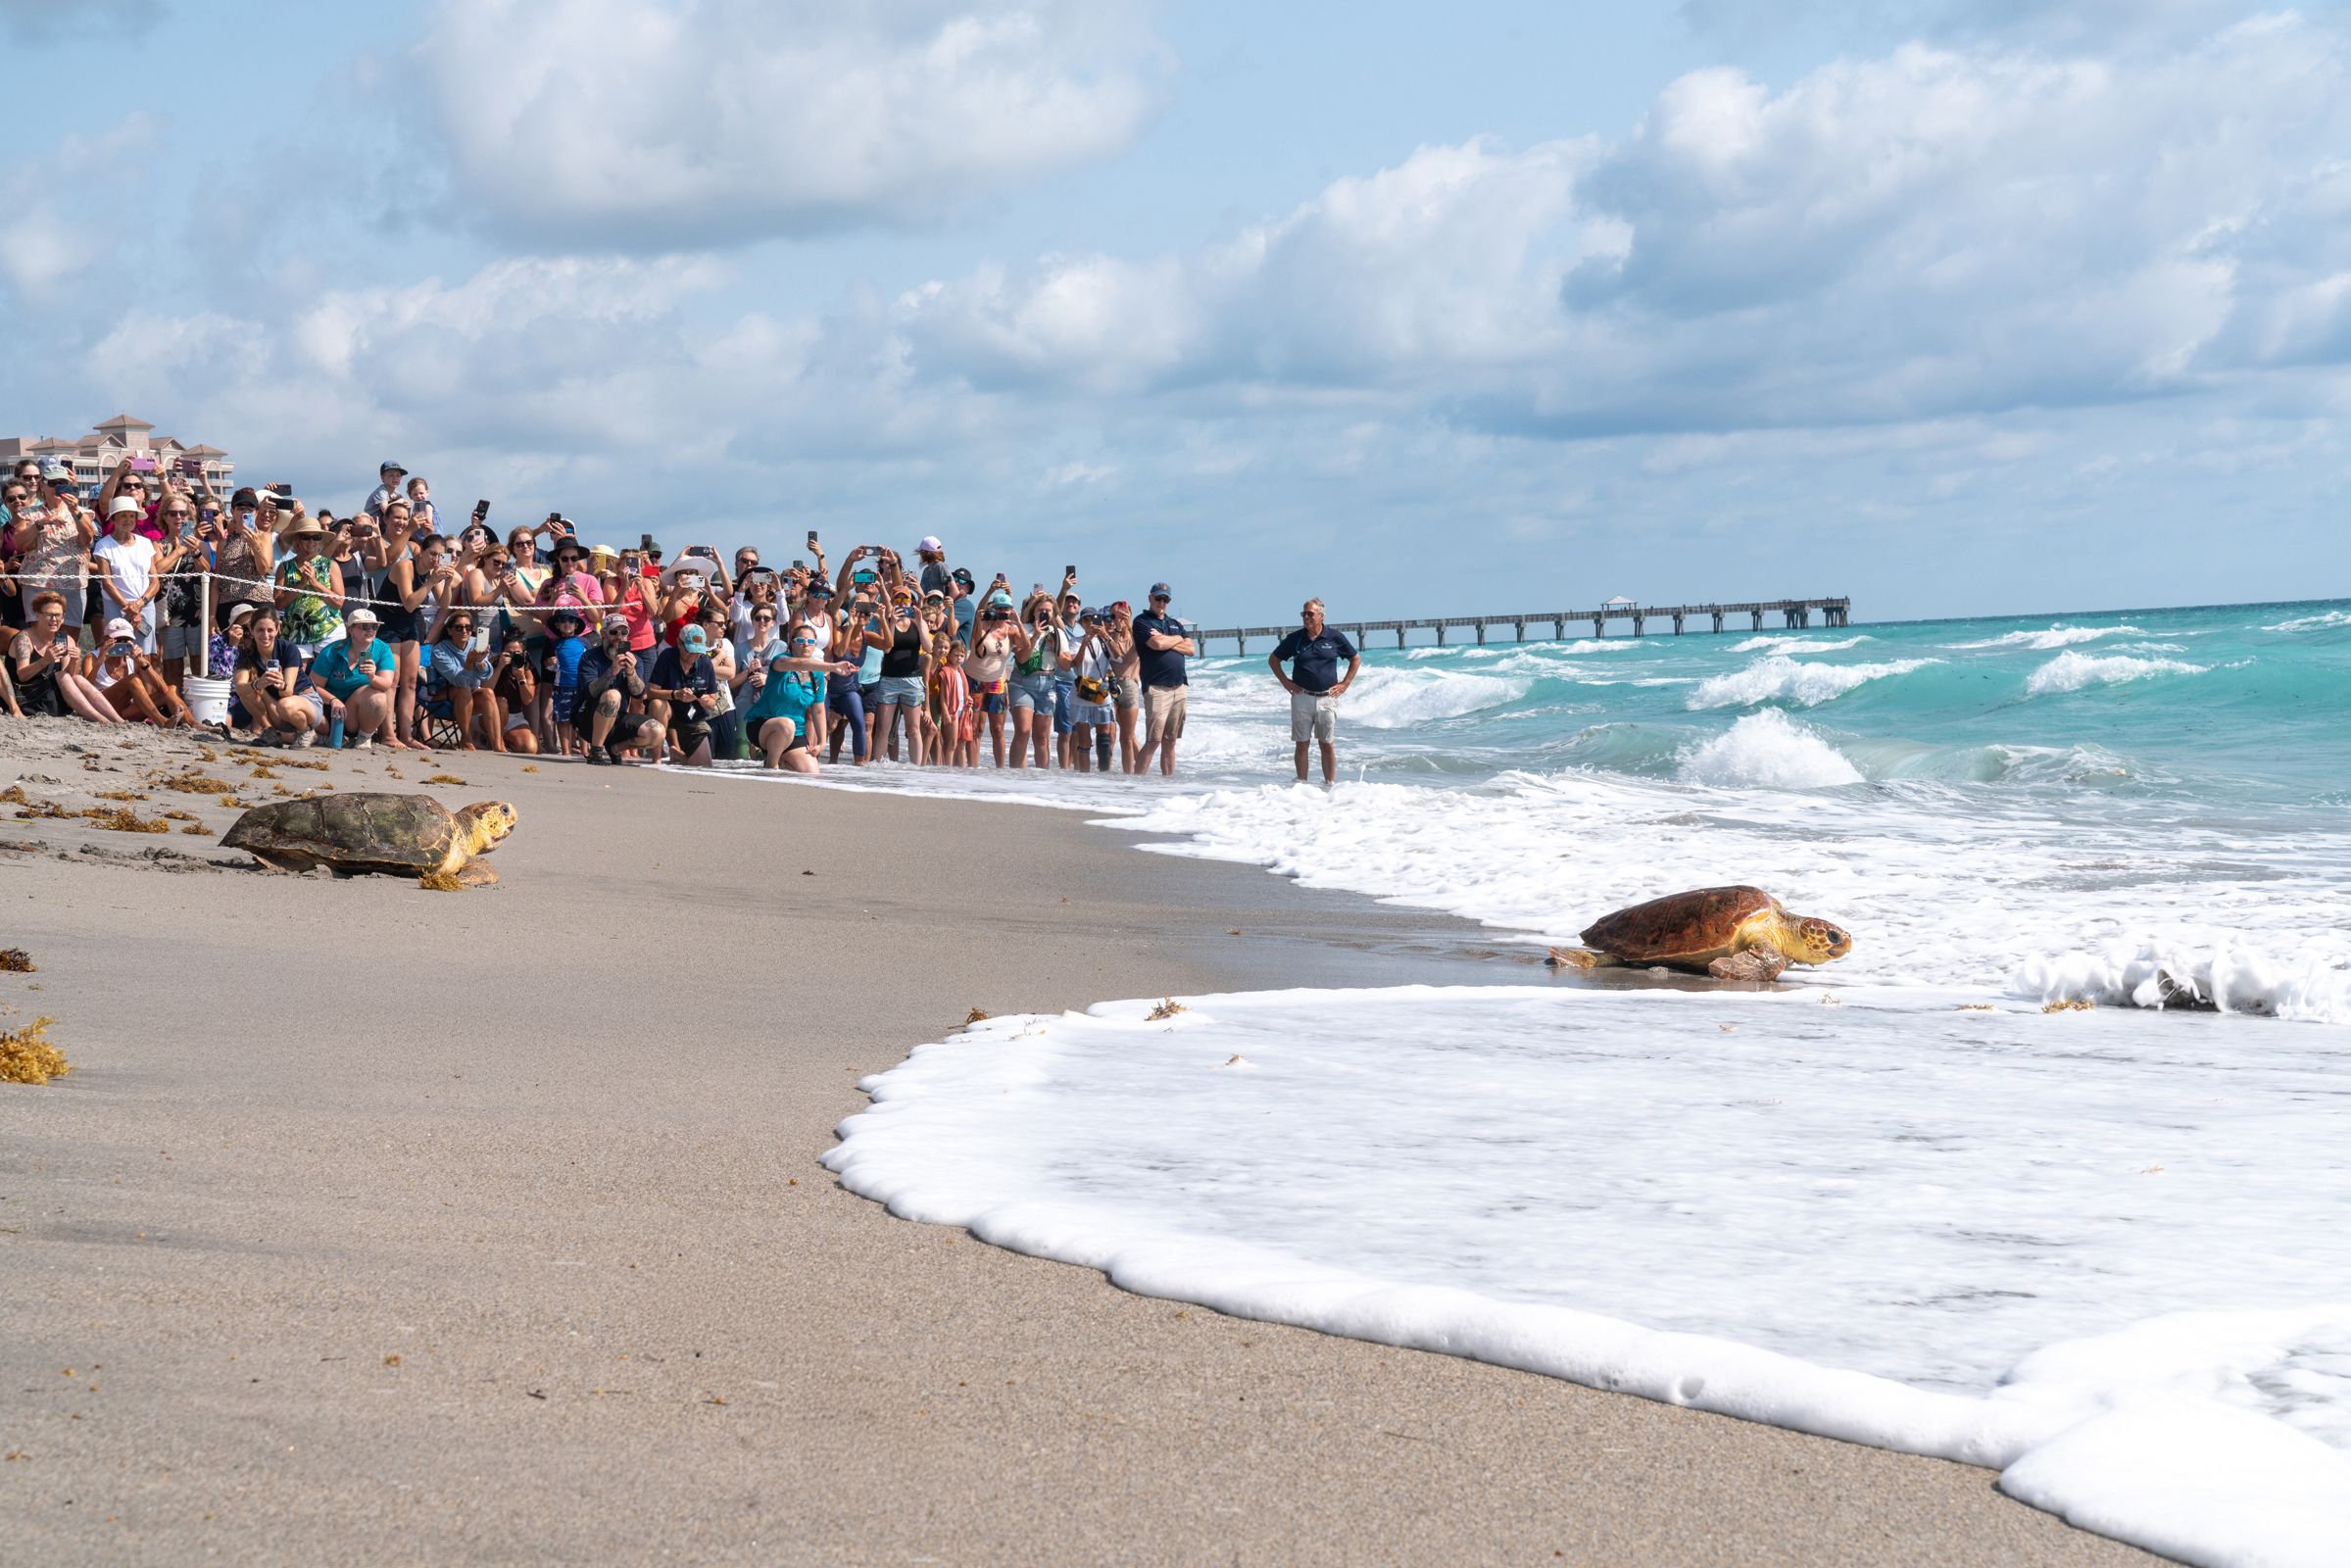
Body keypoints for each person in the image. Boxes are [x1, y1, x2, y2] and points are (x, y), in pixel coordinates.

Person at [1269, 597, 1360, 786]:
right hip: (1301, 696)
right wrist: (1285, 682)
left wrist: (1345, 684)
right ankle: (1301, 784)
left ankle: (1329, 785)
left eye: (1310, 613)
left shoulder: (1334, 637)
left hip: (1327, 697)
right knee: (1302, 743)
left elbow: (1355, 658)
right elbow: (1274, 660)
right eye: (1304, 614)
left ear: (1321, 616)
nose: (1306, 617)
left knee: (1326, 743)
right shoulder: (1295, 638)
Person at [11, 592, 121, 721]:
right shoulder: (24, 639)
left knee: (77, 678)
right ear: (37, 615)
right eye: (48, 615)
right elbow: (22, 676)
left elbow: (70, 675)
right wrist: (44, 661)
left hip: (52, 696)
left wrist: (74, 660)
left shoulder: (65, 639)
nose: (54, 619)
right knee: (61, 675)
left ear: (63, 617)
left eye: (58, 615)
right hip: (27, 697)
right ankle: (101, 720)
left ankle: (117, 720)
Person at [573, 613, 661, 764]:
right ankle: (596, 751)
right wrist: (612, 672)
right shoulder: (590, 657)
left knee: (657, 732)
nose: (619, 637)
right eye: (614, 632)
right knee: (613, 695)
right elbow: (590, 692)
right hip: (589, 720)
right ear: (603, 634)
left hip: (618, 719)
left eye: (624, 632)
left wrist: (631, 673)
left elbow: (638, 693)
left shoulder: (634, 659)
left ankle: (615, 748)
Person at [310, 606, 399, 749]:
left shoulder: (382, 649)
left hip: (355, 714)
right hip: (329, 710)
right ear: (350, 630)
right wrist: (333, 700)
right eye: (364, 627)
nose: (370, 630)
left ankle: (363, 738)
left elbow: (387, 684)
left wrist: (372, 677)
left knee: (379, 696)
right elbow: (313, 686)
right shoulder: (332, 651)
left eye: (374, 627)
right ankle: (324, 735)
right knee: (304, 714)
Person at [233, 607, 323, 746]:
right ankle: (269, 731)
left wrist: (282, 684)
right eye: (260, 630)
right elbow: (240, 688)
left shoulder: (288, 649)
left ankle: (306, 731)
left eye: (270, 630)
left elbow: (287, 692)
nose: (265, 635)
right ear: (251, 630)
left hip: (304, 701)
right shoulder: (247, 653)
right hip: (278, 708)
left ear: (277, 629)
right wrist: (258, 684)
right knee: (248, 690)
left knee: (285, 705)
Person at [1132, 582, 1195, 776]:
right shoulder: (1142, 622)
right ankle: (1136, 783)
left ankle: (1167, 784)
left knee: (1171, 740)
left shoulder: (1175, 623)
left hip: (1179, 686)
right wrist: (1177, 639)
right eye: (1158, 598)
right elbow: (1157, 644)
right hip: (1157, 688)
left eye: (1165, 599)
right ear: (1150, 598)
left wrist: (1171, 639)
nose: (1162, 602)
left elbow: (1191, 649)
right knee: (1154, 740)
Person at [92, 494, 167, 652]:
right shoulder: (103, 546)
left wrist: (139, 604)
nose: (128, 519)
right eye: (123, 516)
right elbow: (107, 583)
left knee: (144, 655)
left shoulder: (145, 543)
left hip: (145, 606)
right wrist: (130, 609)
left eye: (132, 516)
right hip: (116, 606)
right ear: (113, 519)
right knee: (118, 654)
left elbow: (154, 581)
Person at [647, 623, 722, 765]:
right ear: (679, 643)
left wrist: (705, 700)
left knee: (704, 766)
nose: (694, 656)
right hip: (669, 713)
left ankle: (677, 752)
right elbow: (650, 692)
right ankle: (656, 757)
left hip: (693, 718)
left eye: (698, 652)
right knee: (657, 704)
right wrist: (675, 694)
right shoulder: (667, 656)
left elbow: (713, 700)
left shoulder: (705, 662)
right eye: (690, 650)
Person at [429, 610, 499, 751]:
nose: (464, 631)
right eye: (459, 627)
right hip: (443, 694)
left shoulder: (476, 643)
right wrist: (469, 662)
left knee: (488, 693)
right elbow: (458, 681)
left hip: (471, 692)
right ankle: (466, 739)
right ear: (449, 630)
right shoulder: (439, 651)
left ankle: (497, 743)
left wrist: (480, 662)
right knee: (464, 689)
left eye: (468, 627)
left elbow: (487, 674)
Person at [1066, 608, 1115, 773]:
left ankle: (1104, 774)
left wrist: (1106, 636)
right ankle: (1085, 776)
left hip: (1101, 691)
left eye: (1094, 619)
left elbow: (1119, 657)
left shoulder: (1105, 640)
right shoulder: (1076, 641)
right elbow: (1076, 664)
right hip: (1082, 693)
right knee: (1084, 740)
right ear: (1081, 623)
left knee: (1104, 739)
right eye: (1086, 620)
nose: (1090, 623)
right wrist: (1085, 642)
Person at [1102, 600, 1142, 773]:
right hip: (1110, 686)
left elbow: (1140, 645)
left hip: (1130, 685)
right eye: (1111, 616)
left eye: (1118, 615)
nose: (1114, 620)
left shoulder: (1135, 634)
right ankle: (1107, 771)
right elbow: (1114, 651)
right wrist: (1117, 627)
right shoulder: (1109, 636)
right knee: (1109, 734)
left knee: (1127, 736)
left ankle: (1133, 773)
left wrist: (1129, 623)